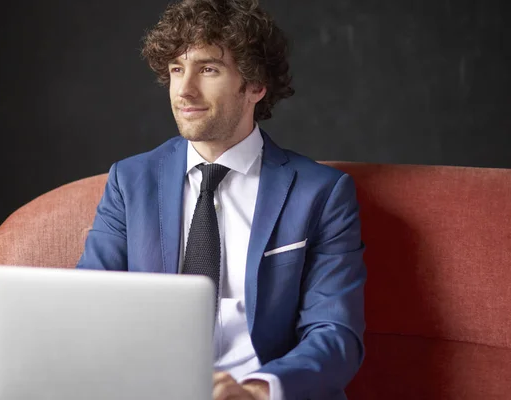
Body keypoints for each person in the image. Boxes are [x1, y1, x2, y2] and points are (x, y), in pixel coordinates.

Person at [76, 0, 367, 399]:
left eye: (208, 69)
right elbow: (88, 306)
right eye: (177, 70)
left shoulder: (321, 193)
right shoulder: (129, 181)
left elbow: (335, 334)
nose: (185, 90)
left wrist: (255, 391)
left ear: (255, 85)